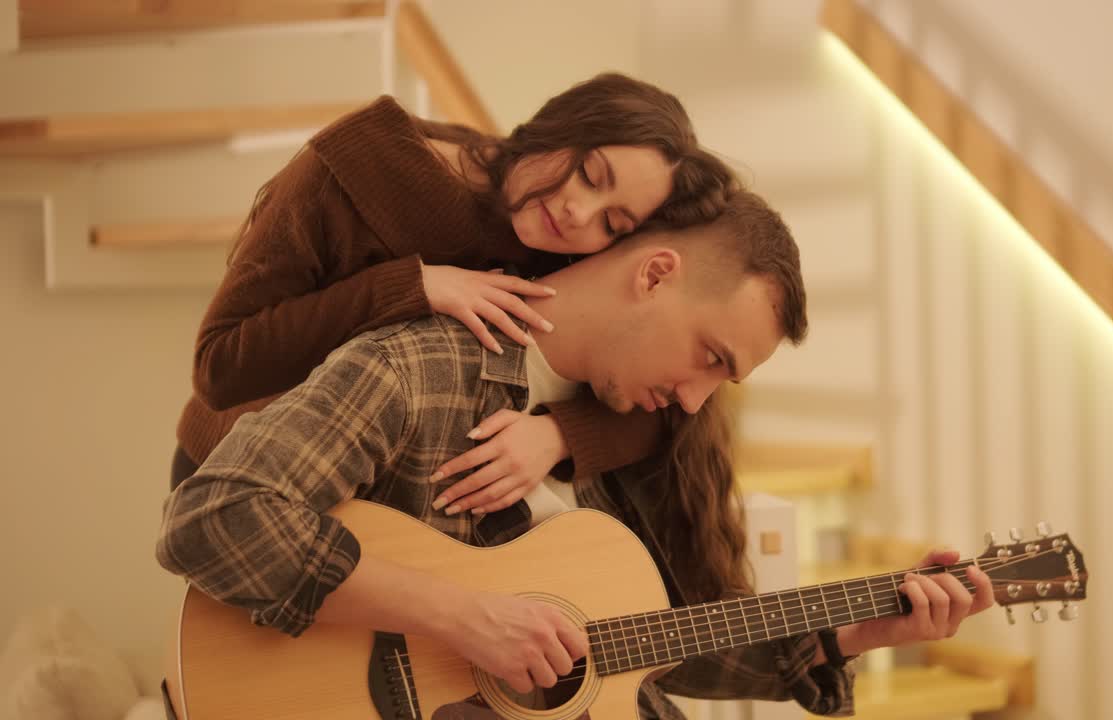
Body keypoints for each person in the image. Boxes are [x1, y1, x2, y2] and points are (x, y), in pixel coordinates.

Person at [156, 192, 994, 718]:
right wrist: (466, 619)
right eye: (711, 355)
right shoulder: (425, 365)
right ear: (656, 273)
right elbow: (211, 517)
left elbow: (633, 648)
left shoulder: (632, 432)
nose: (699, 400)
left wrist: (849, 633)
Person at [171, 73, 740, 523]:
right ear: (563, 124)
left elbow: (662, 410)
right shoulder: (351, 166)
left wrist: (557, 435)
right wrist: (414, 286)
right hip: (238, 477)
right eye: (590, 173)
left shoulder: (567, 252)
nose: (579, 213)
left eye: (614, 222)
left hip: (368, 506)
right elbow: (219, 368)